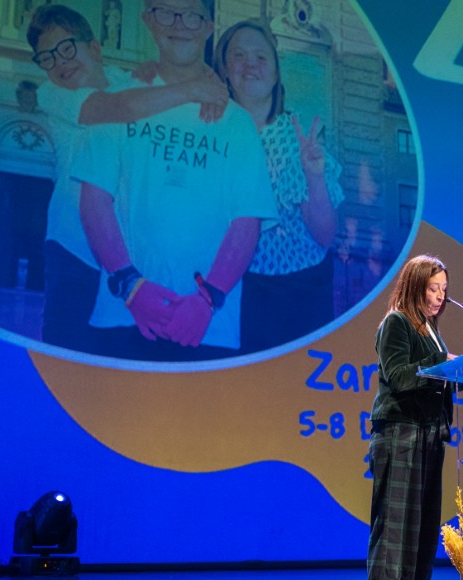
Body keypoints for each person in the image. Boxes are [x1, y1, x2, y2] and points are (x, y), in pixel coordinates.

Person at [73, 0, 277, 361]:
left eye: (192, 15)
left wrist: (208, 299)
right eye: (166, 12)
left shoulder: (237, 123)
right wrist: (131, 286)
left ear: (208, 26)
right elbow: (95, 199)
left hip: (208, 328)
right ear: (148, 20)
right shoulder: (117, 103)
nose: (179, 24)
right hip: (122, 317)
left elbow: (247, 220)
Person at [27, 3, 228, 353]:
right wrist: (194, 88)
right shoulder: (53, 94)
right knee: (67, 351)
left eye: (67, 48)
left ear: (94, 48)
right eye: (47, 57)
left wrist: (208, 81)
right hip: (73, 247)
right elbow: (116, 108)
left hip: (123, 250)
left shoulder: (129, 81)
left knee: (115, 353)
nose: (59, 63)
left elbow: (165, 85)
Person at [214, 19, 343, 354]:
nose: (250, 64)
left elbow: (325, 235)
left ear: (275, 73)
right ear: (224, 70)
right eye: (239, 56)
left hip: (299, 294)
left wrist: (314, 176)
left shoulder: (297, 138)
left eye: (261, 57)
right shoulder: (212, 135)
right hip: (230, 288)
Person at [364, 254, 456, 580]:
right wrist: (442, 363)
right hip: (400, 433)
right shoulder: (397, 323)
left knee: (421, 524)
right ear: (416, 286)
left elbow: (432, 372)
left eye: (444, 289)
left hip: (428, 434)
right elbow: (400, 376)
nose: (440, 296)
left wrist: (459, 373)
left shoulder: (430, 329)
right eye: (433, 288)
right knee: (397, 524)